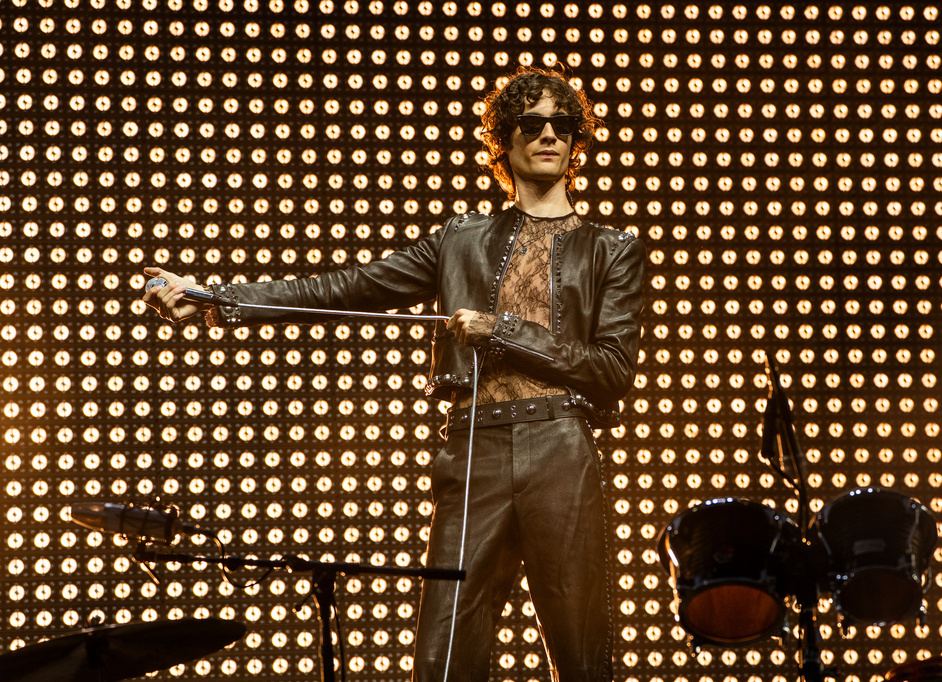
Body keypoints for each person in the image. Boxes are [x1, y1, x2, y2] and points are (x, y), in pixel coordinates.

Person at [143, 65, 645, 681]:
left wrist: (503, 330)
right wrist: (219, 297)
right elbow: (346, 287)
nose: (548, 135)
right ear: (505, 138)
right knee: (440, 657)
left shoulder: (611, 247)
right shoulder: (462, 238)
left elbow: (612, 369)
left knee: (581, 651)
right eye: (531, 123)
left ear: (577, 139)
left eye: (562, 124)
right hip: (474, 447)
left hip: (560, 448)